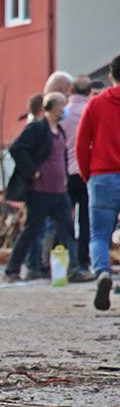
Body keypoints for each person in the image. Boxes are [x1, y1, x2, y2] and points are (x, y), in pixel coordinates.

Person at [4, 93, 90, 283]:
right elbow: (17, 149)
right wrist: (32, 171)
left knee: (67, 231)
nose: (64, 109)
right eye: (61, 105)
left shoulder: (60, 131)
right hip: (40, 191)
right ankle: (12, 269)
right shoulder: (37, 129)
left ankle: (74, 269)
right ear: (51, 107)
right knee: (31, 230)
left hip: (59, 191)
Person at [76, 55, 120, 310]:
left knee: (100, 235)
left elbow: (82, 144)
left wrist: (87, 174)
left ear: (111, 76)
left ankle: (102, 273)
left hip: (101, 176)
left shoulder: (96, 104)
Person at [60, 75, 93, 275]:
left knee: (64, 221)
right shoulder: (90, 110)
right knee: (86, 221)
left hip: (64, 174)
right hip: (86, 172)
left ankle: (64, 262)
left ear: (70, 90)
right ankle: (82, 262)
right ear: (89, 91)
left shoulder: (62, 112)